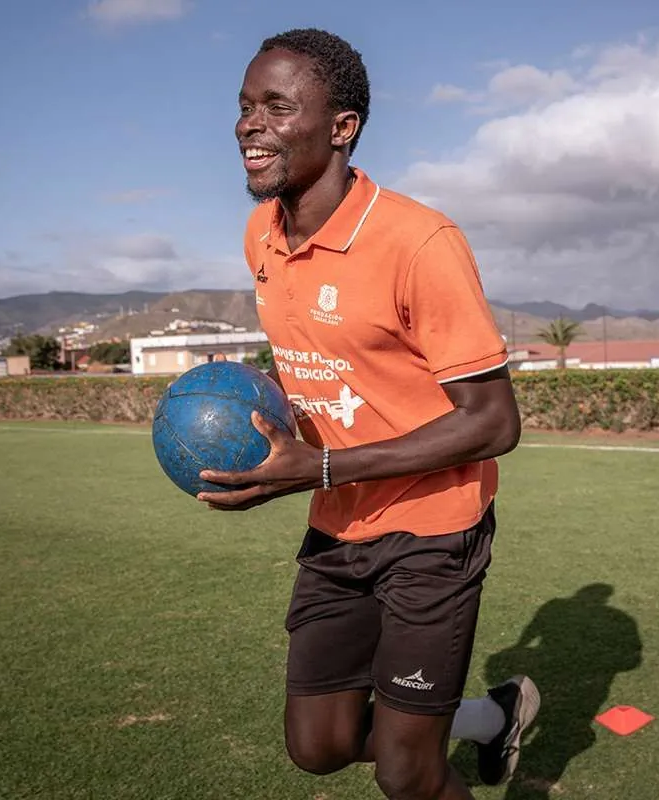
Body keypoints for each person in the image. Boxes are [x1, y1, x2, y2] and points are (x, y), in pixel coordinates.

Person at [195, 28, 540, 800]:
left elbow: (494, 422)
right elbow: (328, 368)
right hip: (337, 525)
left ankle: (451, 736)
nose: (249, 124)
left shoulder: (420, 242)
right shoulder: (263, 232)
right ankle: (496, 715)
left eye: (277, 106)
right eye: (245, 106)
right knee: (318, 747)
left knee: (406, 772)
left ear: (341, 127)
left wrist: (314, 466)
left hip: (432, 533)